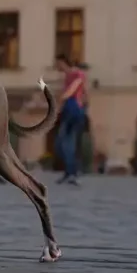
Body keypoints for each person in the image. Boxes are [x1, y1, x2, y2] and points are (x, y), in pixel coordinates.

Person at [54, 54, 87, 185]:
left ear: (63, 62)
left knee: (68, 142)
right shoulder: (67, 76)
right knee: (62, 143)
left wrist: (64, 96)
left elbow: (74, 88)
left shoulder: (78, 74)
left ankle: (72, 173)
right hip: (68, 108)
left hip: (74, 109)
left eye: (58, 64)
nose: (57, 66)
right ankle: (70, 172)